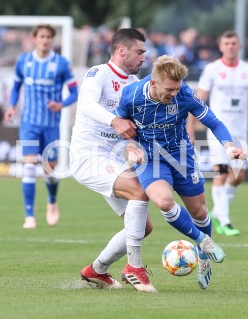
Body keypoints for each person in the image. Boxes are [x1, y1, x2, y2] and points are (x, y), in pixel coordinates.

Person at [114, 55, 247, 290]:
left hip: (181, 155)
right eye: (169, 89)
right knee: (164, 202)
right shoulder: (132, 95)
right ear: (153, 83)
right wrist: (131, 146)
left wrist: (229, 148)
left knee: (199, 211)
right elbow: (121, 124)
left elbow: (213, 121)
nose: (174, 93)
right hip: (150, 158)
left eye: (177, 88)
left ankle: (204, 259)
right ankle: (203, 242)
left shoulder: (185, 93)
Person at [70, 28, 156, 293]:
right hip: (88, 155)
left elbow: (136, 124)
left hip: (112, 159)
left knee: (144, 227)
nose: (144, 57)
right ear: (122, 50)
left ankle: (97, 270)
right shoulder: (98, 74)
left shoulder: (134, 83)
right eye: (140, 51)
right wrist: (115, 120)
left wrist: (134, 145)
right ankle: (135, 268)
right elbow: (85, 105)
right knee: (139, 193)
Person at [187, 31, 248, 236]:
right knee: (222, 172)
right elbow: (198, 101)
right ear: (220, 46)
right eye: (226, 43)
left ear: (240, 46)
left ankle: (218, 211)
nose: (230, 46)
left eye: (233, 43)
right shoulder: (212, 69)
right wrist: (190, 128)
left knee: (238, 176)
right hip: (218, 130)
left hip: (239, 132)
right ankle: (225, 221)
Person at [4, 24, 78, 229]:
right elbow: (16, 87)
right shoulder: (24, 62)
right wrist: (11, 107)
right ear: (34, 38)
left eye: (48, 37)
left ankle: (52, 202)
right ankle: (29, 216)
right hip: (29, 123)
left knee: (49, 171)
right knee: (28, 166)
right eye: (42, 36)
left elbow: (74, 93)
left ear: (52, 40)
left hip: (51, 125)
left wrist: (61, 104)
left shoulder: (61, 64)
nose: (45, 40)